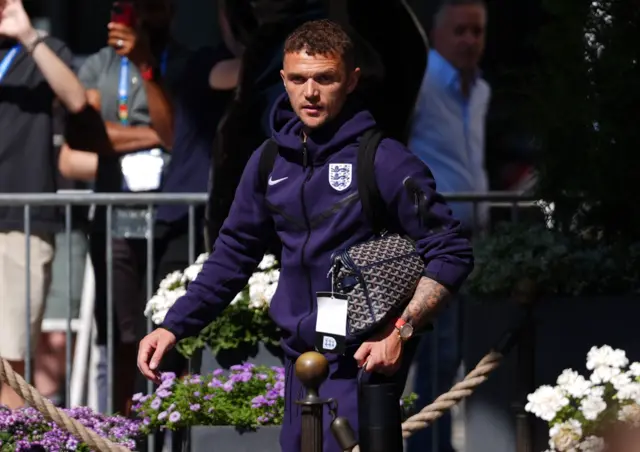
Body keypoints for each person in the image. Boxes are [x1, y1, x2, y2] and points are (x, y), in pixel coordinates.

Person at [138, 19, 474, 452]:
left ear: (351, 80)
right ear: (283, 79)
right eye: (298, 79)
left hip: (360, 363)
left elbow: (451, 251)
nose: (310, 92)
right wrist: (174, 325)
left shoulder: (385, 160)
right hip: (298, 362)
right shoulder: (269, 160)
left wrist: (400, 332)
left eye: (325, 78)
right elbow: (234, 252)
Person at [60, 0, 175, 415]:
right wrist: (153, 134)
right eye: (115, 9)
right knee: (120, 332)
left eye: (133, 9)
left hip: (171, 219)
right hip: (115, 219)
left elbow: (176, 132)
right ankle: (121, 426)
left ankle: (166, 420)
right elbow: (85, 137)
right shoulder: (98, 65)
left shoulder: (171, 60)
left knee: (167, 325)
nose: (119, 21)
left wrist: (145, 64)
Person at [406, 1, 489, 451]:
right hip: (428, 239)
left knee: (453, 351)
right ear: (436, 34)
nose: (470, 40)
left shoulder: (480, 89)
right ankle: (424, 444)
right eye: (460, 30)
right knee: (432, 349)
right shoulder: (421, 82)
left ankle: (435, 441)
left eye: (477, 31)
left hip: (469, 237)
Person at [0, 0, 87, 409]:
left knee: (11, 362)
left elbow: (76, 100)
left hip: (22, 220)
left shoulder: (43, 49)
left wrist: (27, 36)